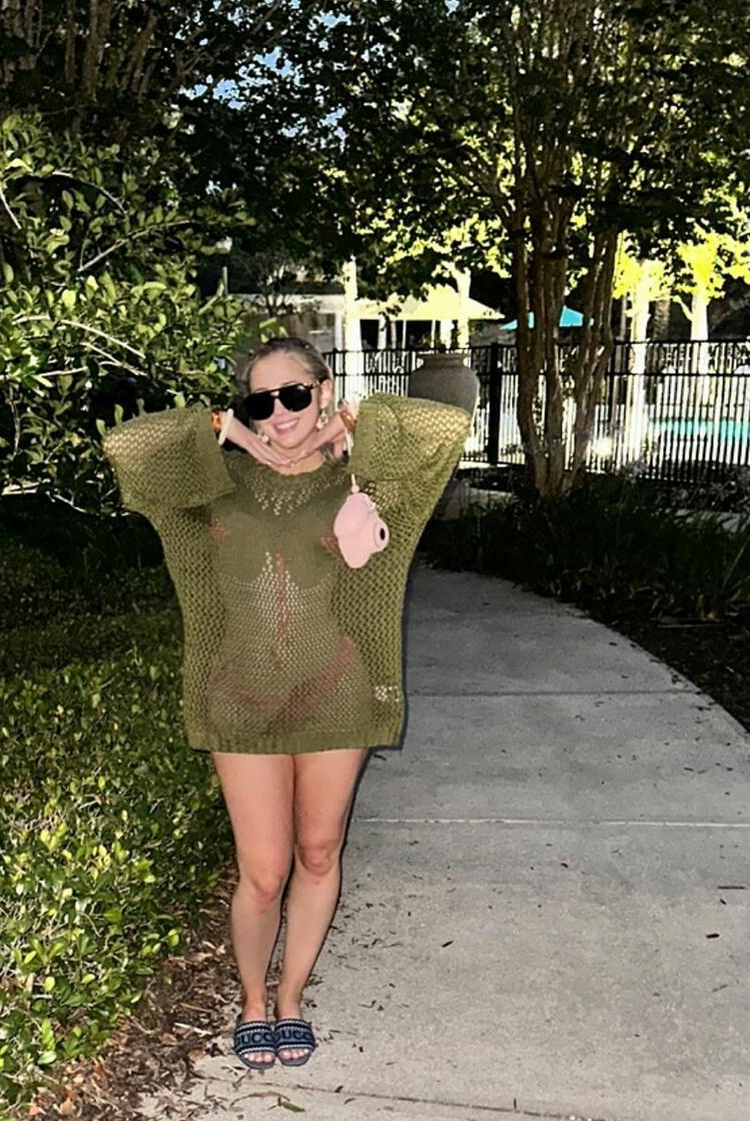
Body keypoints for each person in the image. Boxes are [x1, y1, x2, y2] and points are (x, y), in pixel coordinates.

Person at [101, 336, 472, 1070]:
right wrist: (227, 431)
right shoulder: (216, 479)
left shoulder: (361, 477)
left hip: (336, 691)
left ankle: (291, 998)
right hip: (240, 697)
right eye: (260, 401)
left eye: (295, 395)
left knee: (318, 852)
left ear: (322, 390)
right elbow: (127, 447)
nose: (279, 413)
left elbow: (445, 429)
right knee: (264, 870)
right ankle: (251, 1000)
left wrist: (352, 423)